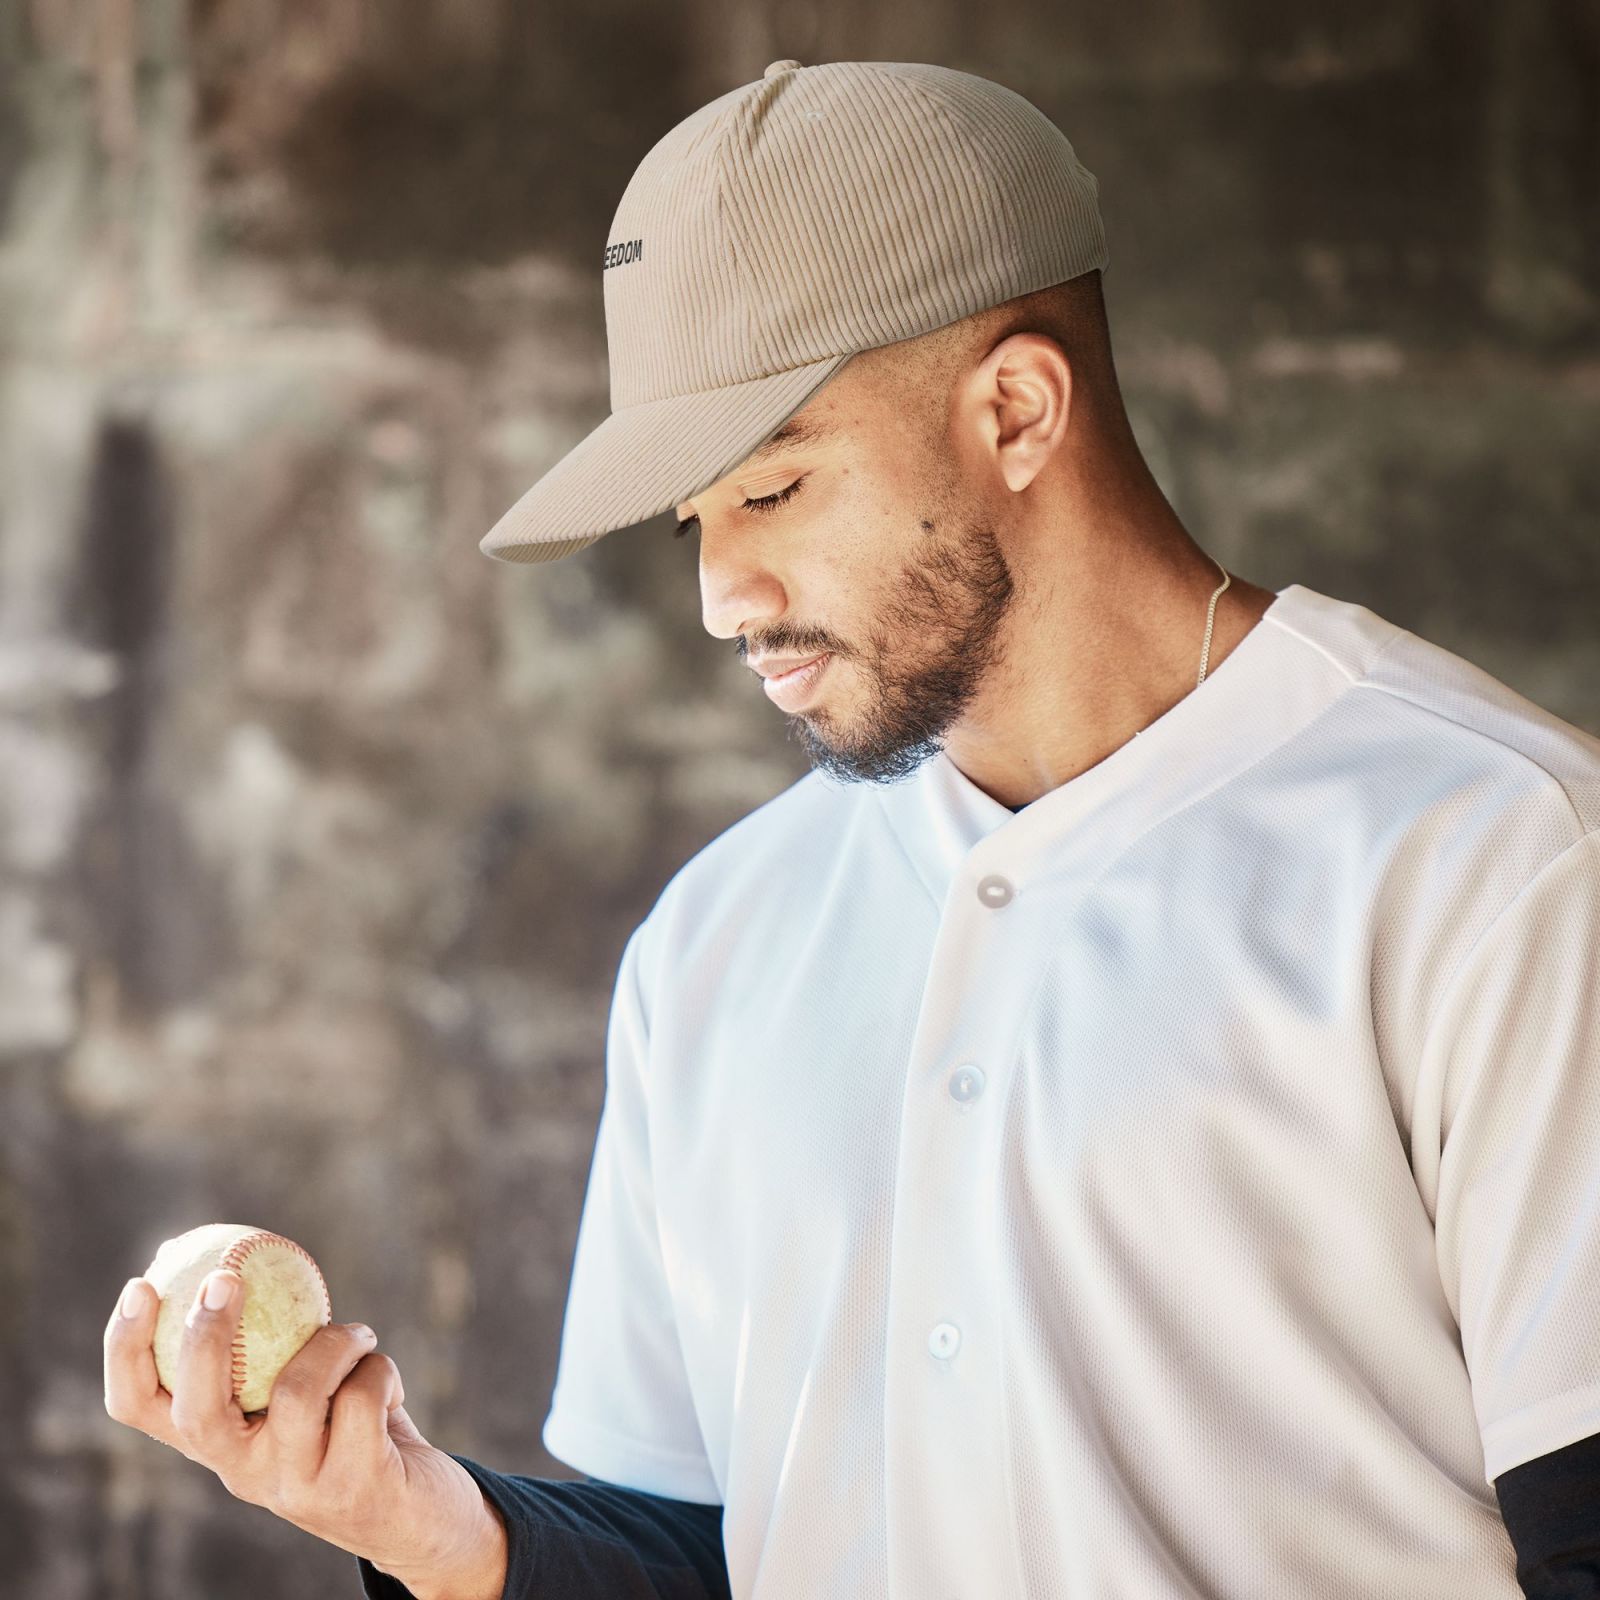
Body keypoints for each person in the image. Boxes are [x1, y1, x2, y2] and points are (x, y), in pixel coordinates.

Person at [103, 58, 1600, 1600]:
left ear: (1014, 411)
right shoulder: (718, 936)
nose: (718, 599)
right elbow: (707, 1555)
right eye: (696, 522)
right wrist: (424, 1523)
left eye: (775, 490)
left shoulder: (1496, 860)